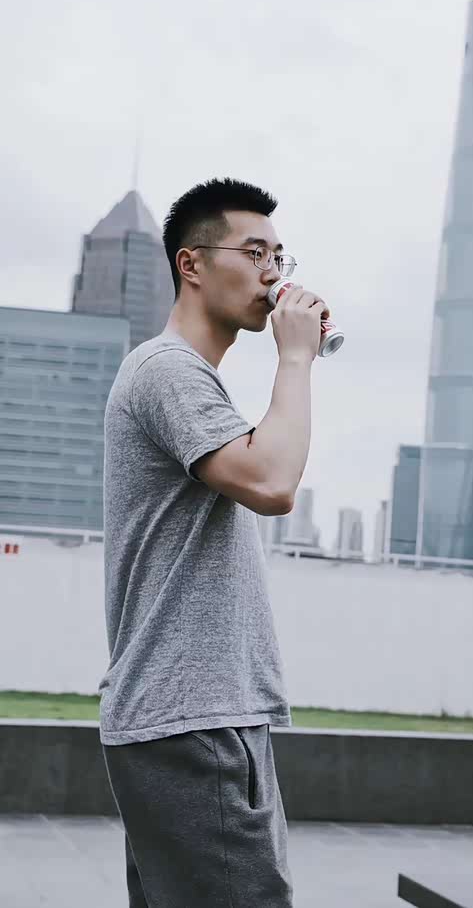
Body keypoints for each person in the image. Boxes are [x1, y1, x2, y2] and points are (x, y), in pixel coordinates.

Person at [98, 177, 329, 907]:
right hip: (192, 717)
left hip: (197, 714)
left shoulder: (189, 379)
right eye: (254, 252)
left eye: (279, 257)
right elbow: (272, 481)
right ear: (191, 264)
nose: (272, 273)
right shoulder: (166, 370)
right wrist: (296, 359)